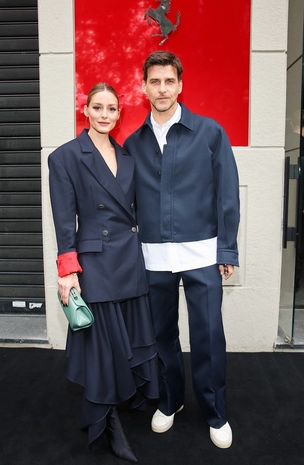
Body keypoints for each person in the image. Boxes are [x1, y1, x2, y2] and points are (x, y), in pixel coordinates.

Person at [124, 51, 240, 449]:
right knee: (161, 336)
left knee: (208, 335)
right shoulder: (133, 142)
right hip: (153, 256)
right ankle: (170, 401)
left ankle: (215, 411)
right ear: (144, 87)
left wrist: (227, 250)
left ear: (180, 85)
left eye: (168, 81)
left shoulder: (210, 133)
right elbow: (126, 203)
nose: (162, 89)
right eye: (154, 81)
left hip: (203, 254)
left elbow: (227, 195)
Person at [48, 82, 158, 463]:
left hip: (129, 260)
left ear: (118, 113)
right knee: (103, 349)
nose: (105, 115)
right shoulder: (65, 157)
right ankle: (107, 422)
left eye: (112, 108)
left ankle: (120, 406)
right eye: (98, 107)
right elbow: (64, 221)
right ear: (86, 110)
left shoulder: (127, 157)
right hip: (95, 265)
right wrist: (67, 271)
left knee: (126, 341)